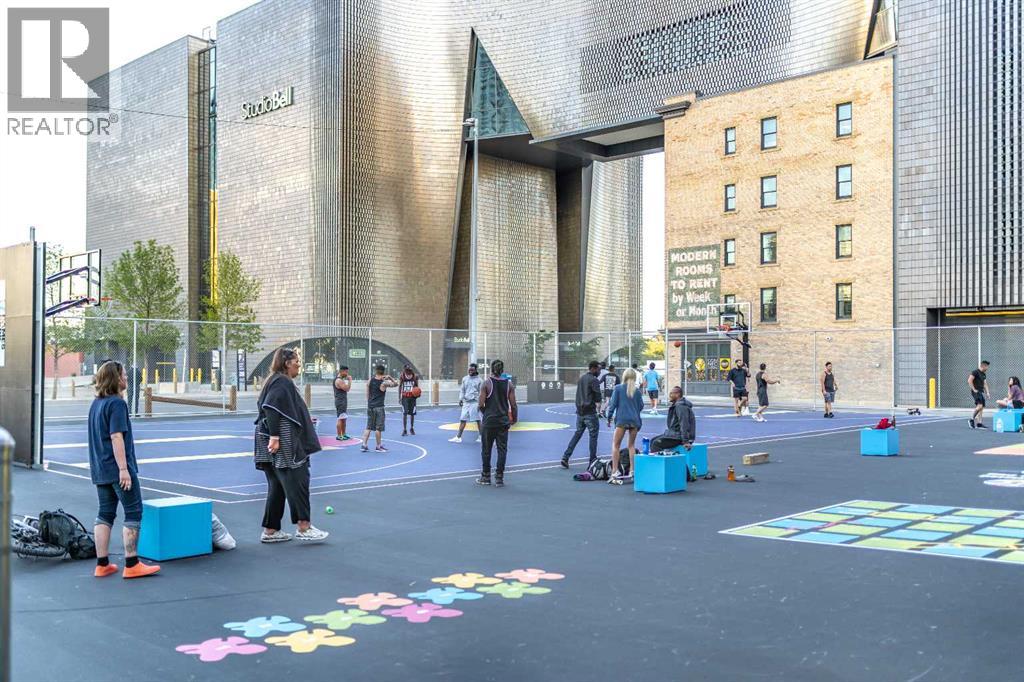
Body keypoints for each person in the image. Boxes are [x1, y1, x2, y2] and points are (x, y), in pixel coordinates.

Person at [88, 360, 160, 579]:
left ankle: (102, 564)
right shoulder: (117, 404)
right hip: (117, 469)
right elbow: (116, 436)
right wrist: (123, 469)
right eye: (124, 375)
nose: (127, 378)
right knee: (133, 511)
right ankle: (132, 563)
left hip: (100, 469)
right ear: (116, 378)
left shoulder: (96, 404)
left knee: (105, 513)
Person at [254, 348, 328, 543]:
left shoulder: (273, 380)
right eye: (296, 362)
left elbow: (278, 408)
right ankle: (304, 526)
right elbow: (270, 407)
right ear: (287, 363)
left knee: (277, 485)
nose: (299, 366)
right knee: (299, 479)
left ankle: (271, 530)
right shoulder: (282, 381)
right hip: (283, 441)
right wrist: (275, 436)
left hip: (268, 438)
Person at [477, 359, 517, 487]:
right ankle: (499, 478)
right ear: (502, 370)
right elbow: (513, 405)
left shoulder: (486, 383)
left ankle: (486, 477)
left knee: (486, 450)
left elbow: (480, 404)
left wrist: (487, 414)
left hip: (489, 422)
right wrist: (514, 418)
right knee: (502, 450)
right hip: (503, 422)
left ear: (491, 369)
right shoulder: (509, 385)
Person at [605, 368, 645, 484]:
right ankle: (632, 470)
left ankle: (615, 471)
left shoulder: (618, 388)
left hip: (622, 419)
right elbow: (641, 406)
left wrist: (609, 417)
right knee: (631, 446)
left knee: (616, 445)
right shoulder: (637, 391)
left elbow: (612, 404)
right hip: (634, 420)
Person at [560, 360, 602, 468]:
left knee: (577, 434)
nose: (599, 371)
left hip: (580, 412)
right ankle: (592, 460)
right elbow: (598, 397)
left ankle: (566, 456)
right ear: (593, 368)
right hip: (590, 412)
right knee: (593, 436)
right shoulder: (594, 380)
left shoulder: (582, 378)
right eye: (599, 369)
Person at [362, 364, 397, 451]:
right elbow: (396, 384)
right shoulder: (384, 383)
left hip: (370, 406)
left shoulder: (370, 380)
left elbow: (367, 392)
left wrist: (369, 402)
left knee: (368, 427)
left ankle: (364, 445)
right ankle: (378, 446)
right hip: (379, 407)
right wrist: (390, 377)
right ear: (383, 372)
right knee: (378, 428)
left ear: (375, 371)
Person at [650, 386, 696, 453]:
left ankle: (659, 459)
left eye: (671, 393)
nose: (670, 395)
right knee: (653, 440)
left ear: (677, 394)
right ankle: (660, 457)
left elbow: (684, 423)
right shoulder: (678, 405)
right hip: (676, 434)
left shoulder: (681, 407)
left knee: (656, 444)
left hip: (679, 437)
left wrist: (685, 441)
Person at [450, 363, 483, 443]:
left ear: (476, 370)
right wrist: (460, 399)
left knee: (478, 420)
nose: (470, 371)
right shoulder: (465, 379)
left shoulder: (480, 380)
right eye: (469, 370)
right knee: (462, 419)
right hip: (466, 403)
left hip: (475, 403)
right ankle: (458, 437)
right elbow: (462, 390)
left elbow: (481, 393)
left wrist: (480, 403)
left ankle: (481, 436)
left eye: (472, 370)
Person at [968, 360, 991, 429]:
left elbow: (985, 384)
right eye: (987, 367)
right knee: (980, 406)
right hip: (976, 391)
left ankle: (979, 423)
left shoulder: (983, 374)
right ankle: (971, 419)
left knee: (982, 407)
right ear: (983, 366)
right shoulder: (975, 372)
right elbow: (969, 380)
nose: (987, 368)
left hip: (980, 392)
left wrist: (987, 392)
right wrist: (974, 389)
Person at [398, 364, 419, 436]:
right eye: (406, 370)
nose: (408, 371)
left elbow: (417, 387)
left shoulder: (415, 376)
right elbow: (400, 386)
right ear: (404, 370)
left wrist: (417, 394)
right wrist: (399, 397)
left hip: (412, 397)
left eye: (409, 370)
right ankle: (404, 429)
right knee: (405, 413)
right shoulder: (402, 376)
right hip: (405, 397)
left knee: (412, 414)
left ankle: (411, 428)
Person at [333, 365, 352, 441]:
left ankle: (343, 434)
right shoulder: (339, 380)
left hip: (342, 401)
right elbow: (347, 389)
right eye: (346, 372)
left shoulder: (340, 379)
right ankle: (339, 435)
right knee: (340, 418)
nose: (347, 374)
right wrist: (350, 381)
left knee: (344, 418)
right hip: (340, 401)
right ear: (341, 371)